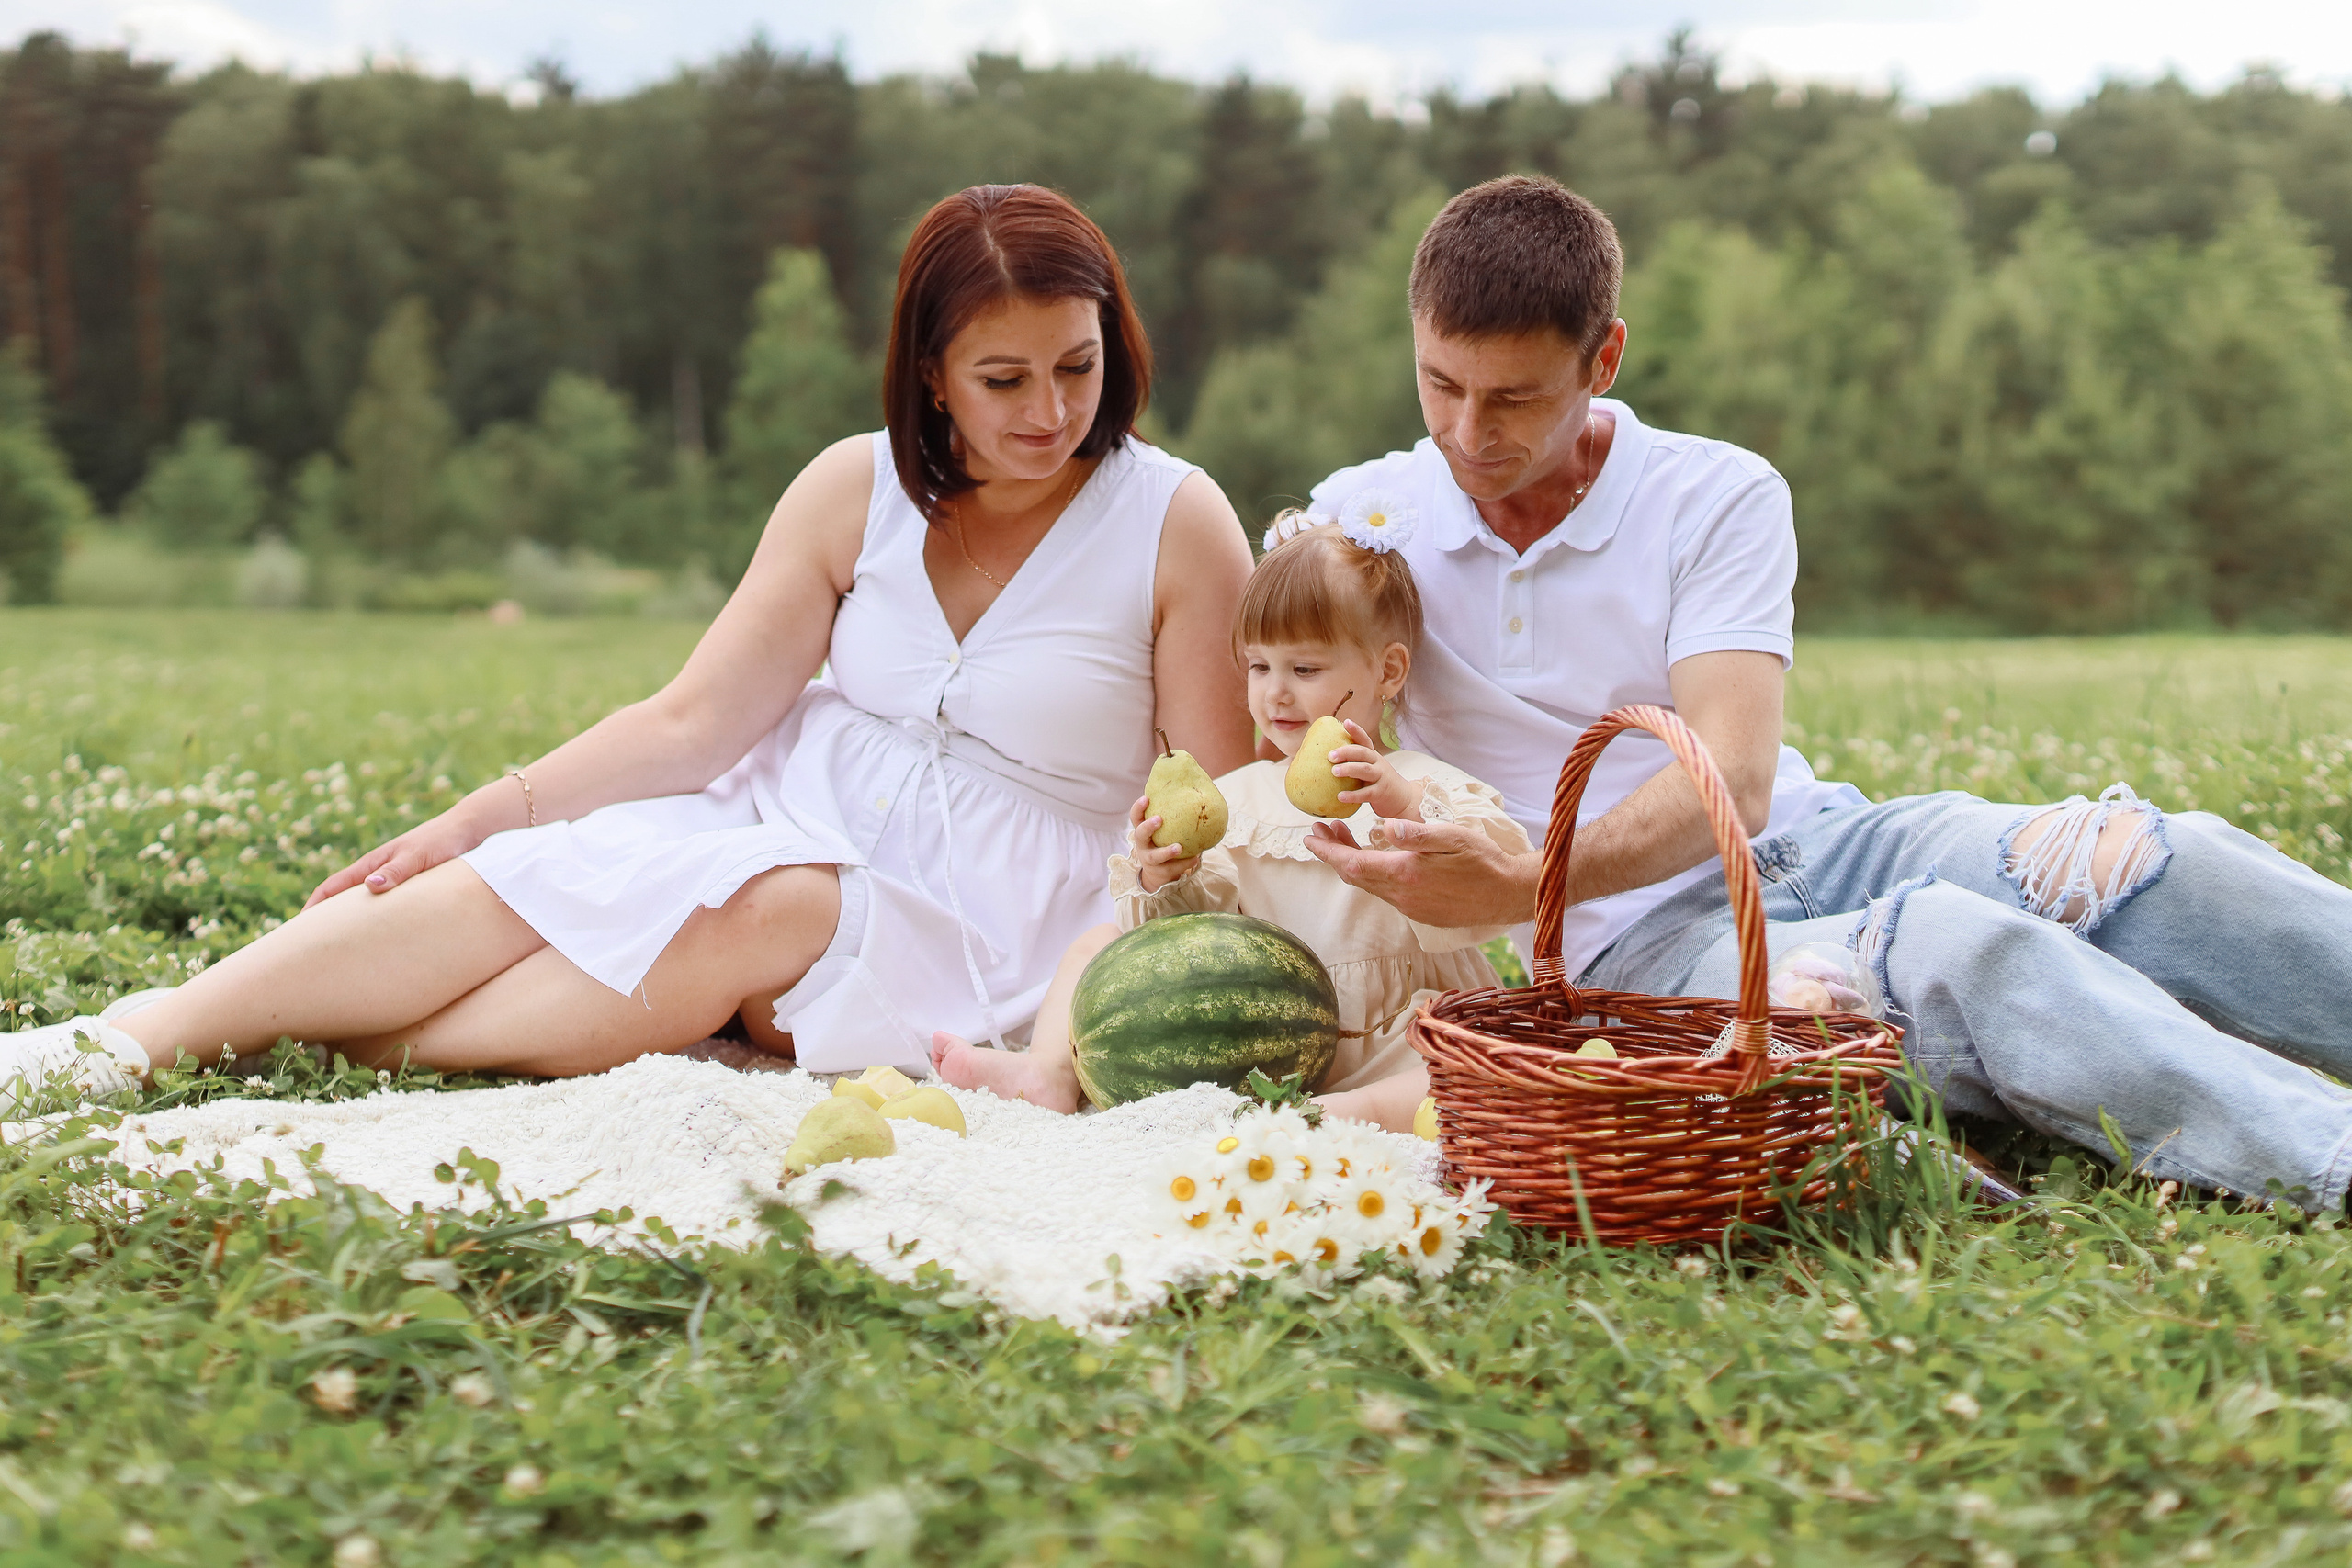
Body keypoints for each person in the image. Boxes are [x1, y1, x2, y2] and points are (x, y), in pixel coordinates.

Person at [0, 184, 1255, 1098]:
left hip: (993, 908)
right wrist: (482, 816)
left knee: (764, 902)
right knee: (551, 867)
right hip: (798, 798)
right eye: (1003, 379)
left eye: (1076, 365)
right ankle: (125, 1041)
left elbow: (1224, 805)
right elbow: (694, 721)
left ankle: (335, 1039)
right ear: (932, 376)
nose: (1051, 411)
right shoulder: (852, 486)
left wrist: (1165, 894)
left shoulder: (1176, 521)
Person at [1298, 173, 2352, 1209]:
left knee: (2145, 859)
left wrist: (1519, 881)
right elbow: (1275, 724)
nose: (1468, 432)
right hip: (1638, 950)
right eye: (1441, 384)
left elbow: (1733, 778)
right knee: (1949, 948)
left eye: (1513, 397)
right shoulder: (1358, 522)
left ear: (1603, 359)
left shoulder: (1712, 492)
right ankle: (2331, 1161)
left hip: (1823, 844)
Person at [934, 513, 1532, 1126]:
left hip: (1392, 1035)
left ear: (1389, 671)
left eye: (1304, 669)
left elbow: (1493, 883)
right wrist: (1166, 872)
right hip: (1256, 1034)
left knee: (1466, 1066)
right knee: (1099, 943)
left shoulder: (1420, 782)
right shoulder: (1235, 799)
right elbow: (1193, 929)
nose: (1276, 692)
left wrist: (1401, 804)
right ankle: (1050, 1070)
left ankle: (1338, 1113)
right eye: (1259, 666)